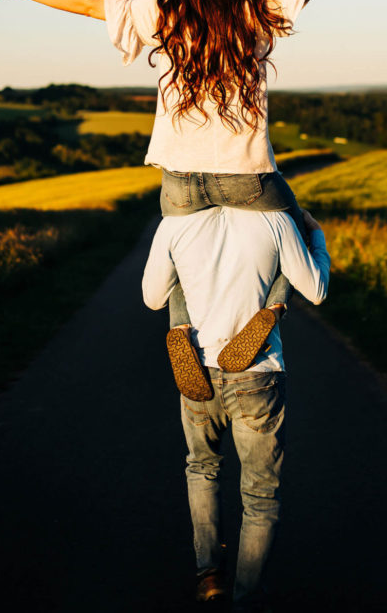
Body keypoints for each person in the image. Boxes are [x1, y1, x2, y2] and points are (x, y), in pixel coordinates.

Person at [0, 0, 387, 385]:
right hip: (249, 176)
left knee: (177, 255)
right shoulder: (257, 9)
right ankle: (271, 309)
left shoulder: (163, 15)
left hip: (181, 179)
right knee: (295, 230)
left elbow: (88, 5)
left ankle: (180, 329)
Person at [142, 203, 330, 610]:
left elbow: (150, 298)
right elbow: (317, 289)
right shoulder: (276, 218)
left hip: (198, 367)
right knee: (260, 495)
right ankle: (245, 599)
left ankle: (209, 576)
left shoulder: (176, 221)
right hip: (259, 374)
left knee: (202, 468)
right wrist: (315, 235)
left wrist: (182, 274)